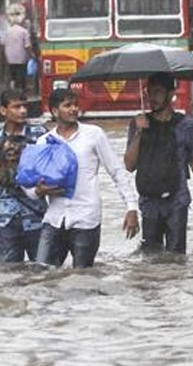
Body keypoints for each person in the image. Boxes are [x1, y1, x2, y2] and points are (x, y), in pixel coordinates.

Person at [123, 72, 193, 253]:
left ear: (171, 94)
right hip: (149, 201)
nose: (152, 97)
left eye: (158, 92)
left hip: (177, 200)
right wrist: (139, 133)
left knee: (176, 256)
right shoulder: (138, 123)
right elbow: (129, 165)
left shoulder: (186, 125)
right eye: (149, 92)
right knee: (151, 256)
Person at [34, 88, 139, 268]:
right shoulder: (43, 142)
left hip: (86, 219)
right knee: (42, 273)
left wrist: (131, 208)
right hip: (54, 218)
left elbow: (116, 172)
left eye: (75, 105)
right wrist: (38, 191)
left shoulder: (94, 135)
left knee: (84, 276)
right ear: (55, 111)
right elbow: (31, 183)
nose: (74, 109)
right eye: (68, 105)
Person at [0, 89, 48, 262]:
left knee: (44, 270)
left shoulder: (40, 134)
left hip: (37, 217)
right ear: (3, 110)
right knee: (8, 272)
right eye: (16, 107)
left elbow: (54, 166)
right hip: (8, 220)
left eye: (24, 106)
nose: (23, 111)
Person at [2, 15, 33, 92]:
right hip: (21, 57)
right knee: (21, 74)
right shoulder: (24, 31)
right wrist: (31, 54)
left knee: (13, 75)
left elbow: (4, 43)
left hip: (10, 57)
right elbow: (27, 45)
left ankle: (13, 88)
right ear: (21, 23)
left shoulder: (7, 32)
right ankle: (21, 90)